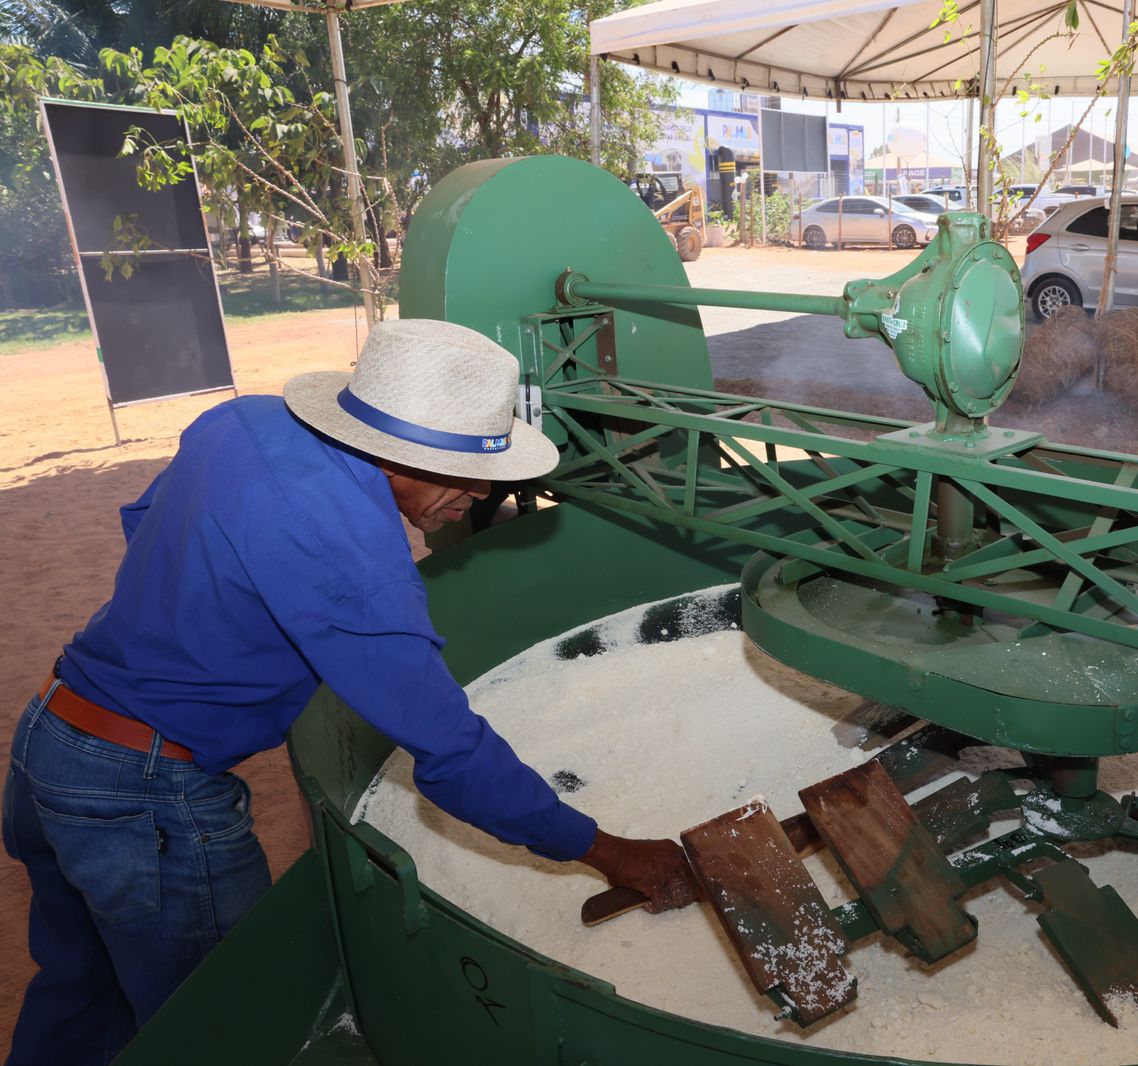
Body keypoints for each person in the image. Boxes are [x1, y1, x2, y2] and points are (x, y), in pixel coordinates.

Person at [2, 320, 699, 1066]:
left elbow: (144, 527)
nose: (479, 494)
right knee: (232, 1027)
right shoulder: (352, 559)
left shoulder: (240, 421)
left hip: (52, 741)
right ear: (396, 452)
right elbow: (450, 750)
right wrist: (607, 851)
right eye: (460, 471)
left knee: (83, 990)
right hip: (147, 804)